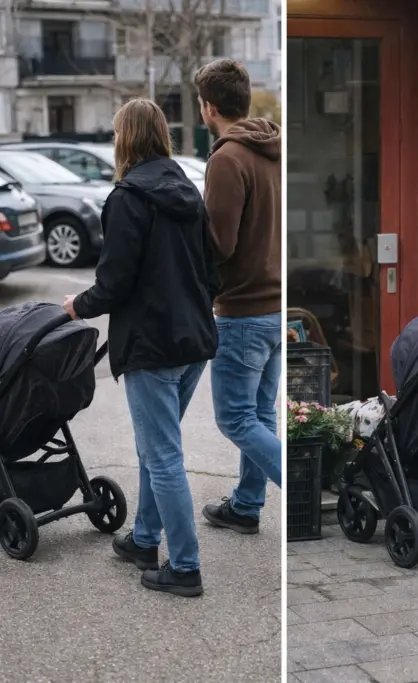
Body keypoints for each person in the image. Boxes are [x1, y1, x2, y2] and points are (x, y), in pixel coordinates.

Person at [63, 98, 219, 597]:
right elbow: (212, 269)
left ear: (125, 138)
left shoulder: (127, 197)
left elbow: (114, 283)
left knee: (163, 455)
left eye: (116, 134)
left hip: (152, 346)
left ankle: (186, 567)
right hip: (194, 341)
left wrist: (76, 306)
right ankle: (145, 540)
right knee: (155, 448)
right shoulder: (188, 191)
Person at [194, 59, 283, 534]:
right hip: (275, 307)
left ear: (209, 107)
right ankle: (247, 506)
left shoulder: (228, 158)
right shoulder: (273, 147)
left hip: (243, 310)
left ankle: (307, 483)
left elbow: (220, 245)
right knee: (260, 415)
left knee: (234, 419)